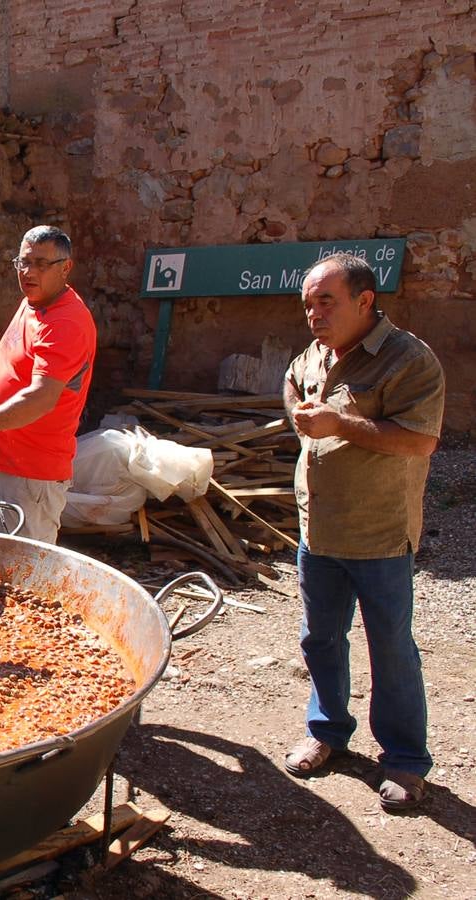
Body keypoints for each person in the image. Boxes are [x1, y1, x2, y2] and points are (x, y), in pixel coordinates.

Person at [281, 252, 445, 812]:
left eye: (326, 301)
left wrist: (338, 425)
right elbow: (292, 382)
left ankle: (404, 759)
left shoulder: (408, 359)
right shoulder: (317, 354)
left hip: (378, 534)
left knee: (391, 647)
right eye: (308, 304)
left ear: (365, 300)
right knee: (320, 638)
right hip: (318, 528)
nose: (314, 313)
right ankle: (327, 731)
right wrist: (303, 419)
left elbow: (419, 440)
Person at [0, 225, 96, 543]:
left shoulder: (66, 323)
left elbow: (40, 397)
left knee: (23, 576)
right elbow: (27, 367)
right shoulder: (34, 301)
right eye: (23, 262)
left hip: (31, 476)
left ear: (65, 268)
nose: (28, 272)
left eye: (41, 263)